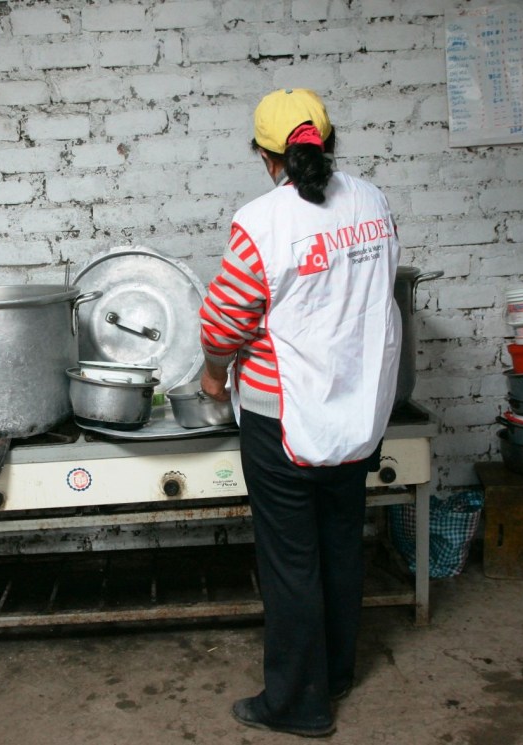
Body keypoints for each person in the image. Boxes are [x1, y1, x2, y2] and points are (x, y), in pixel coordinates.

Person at [198, 89, 401, 736]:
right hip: (357, 413)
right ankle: (336, 670)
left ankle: (297, 703)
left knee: (290, 560)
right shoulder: (373, 203)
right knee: (341, 542)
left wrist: (211, 374)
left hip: (282, 418)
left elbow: (225, 320)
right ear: (326, 141)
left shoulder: (261, 221)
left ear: (266, 156)